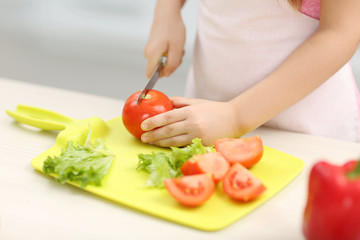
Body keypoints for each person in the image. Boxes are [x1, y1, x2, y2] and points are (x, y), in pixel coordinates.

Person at [140, 0, 360, 147]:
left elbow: (341, 32)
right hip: (208, 121)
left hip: (306, 135)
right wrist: (167, 12)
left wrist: (235, 116)